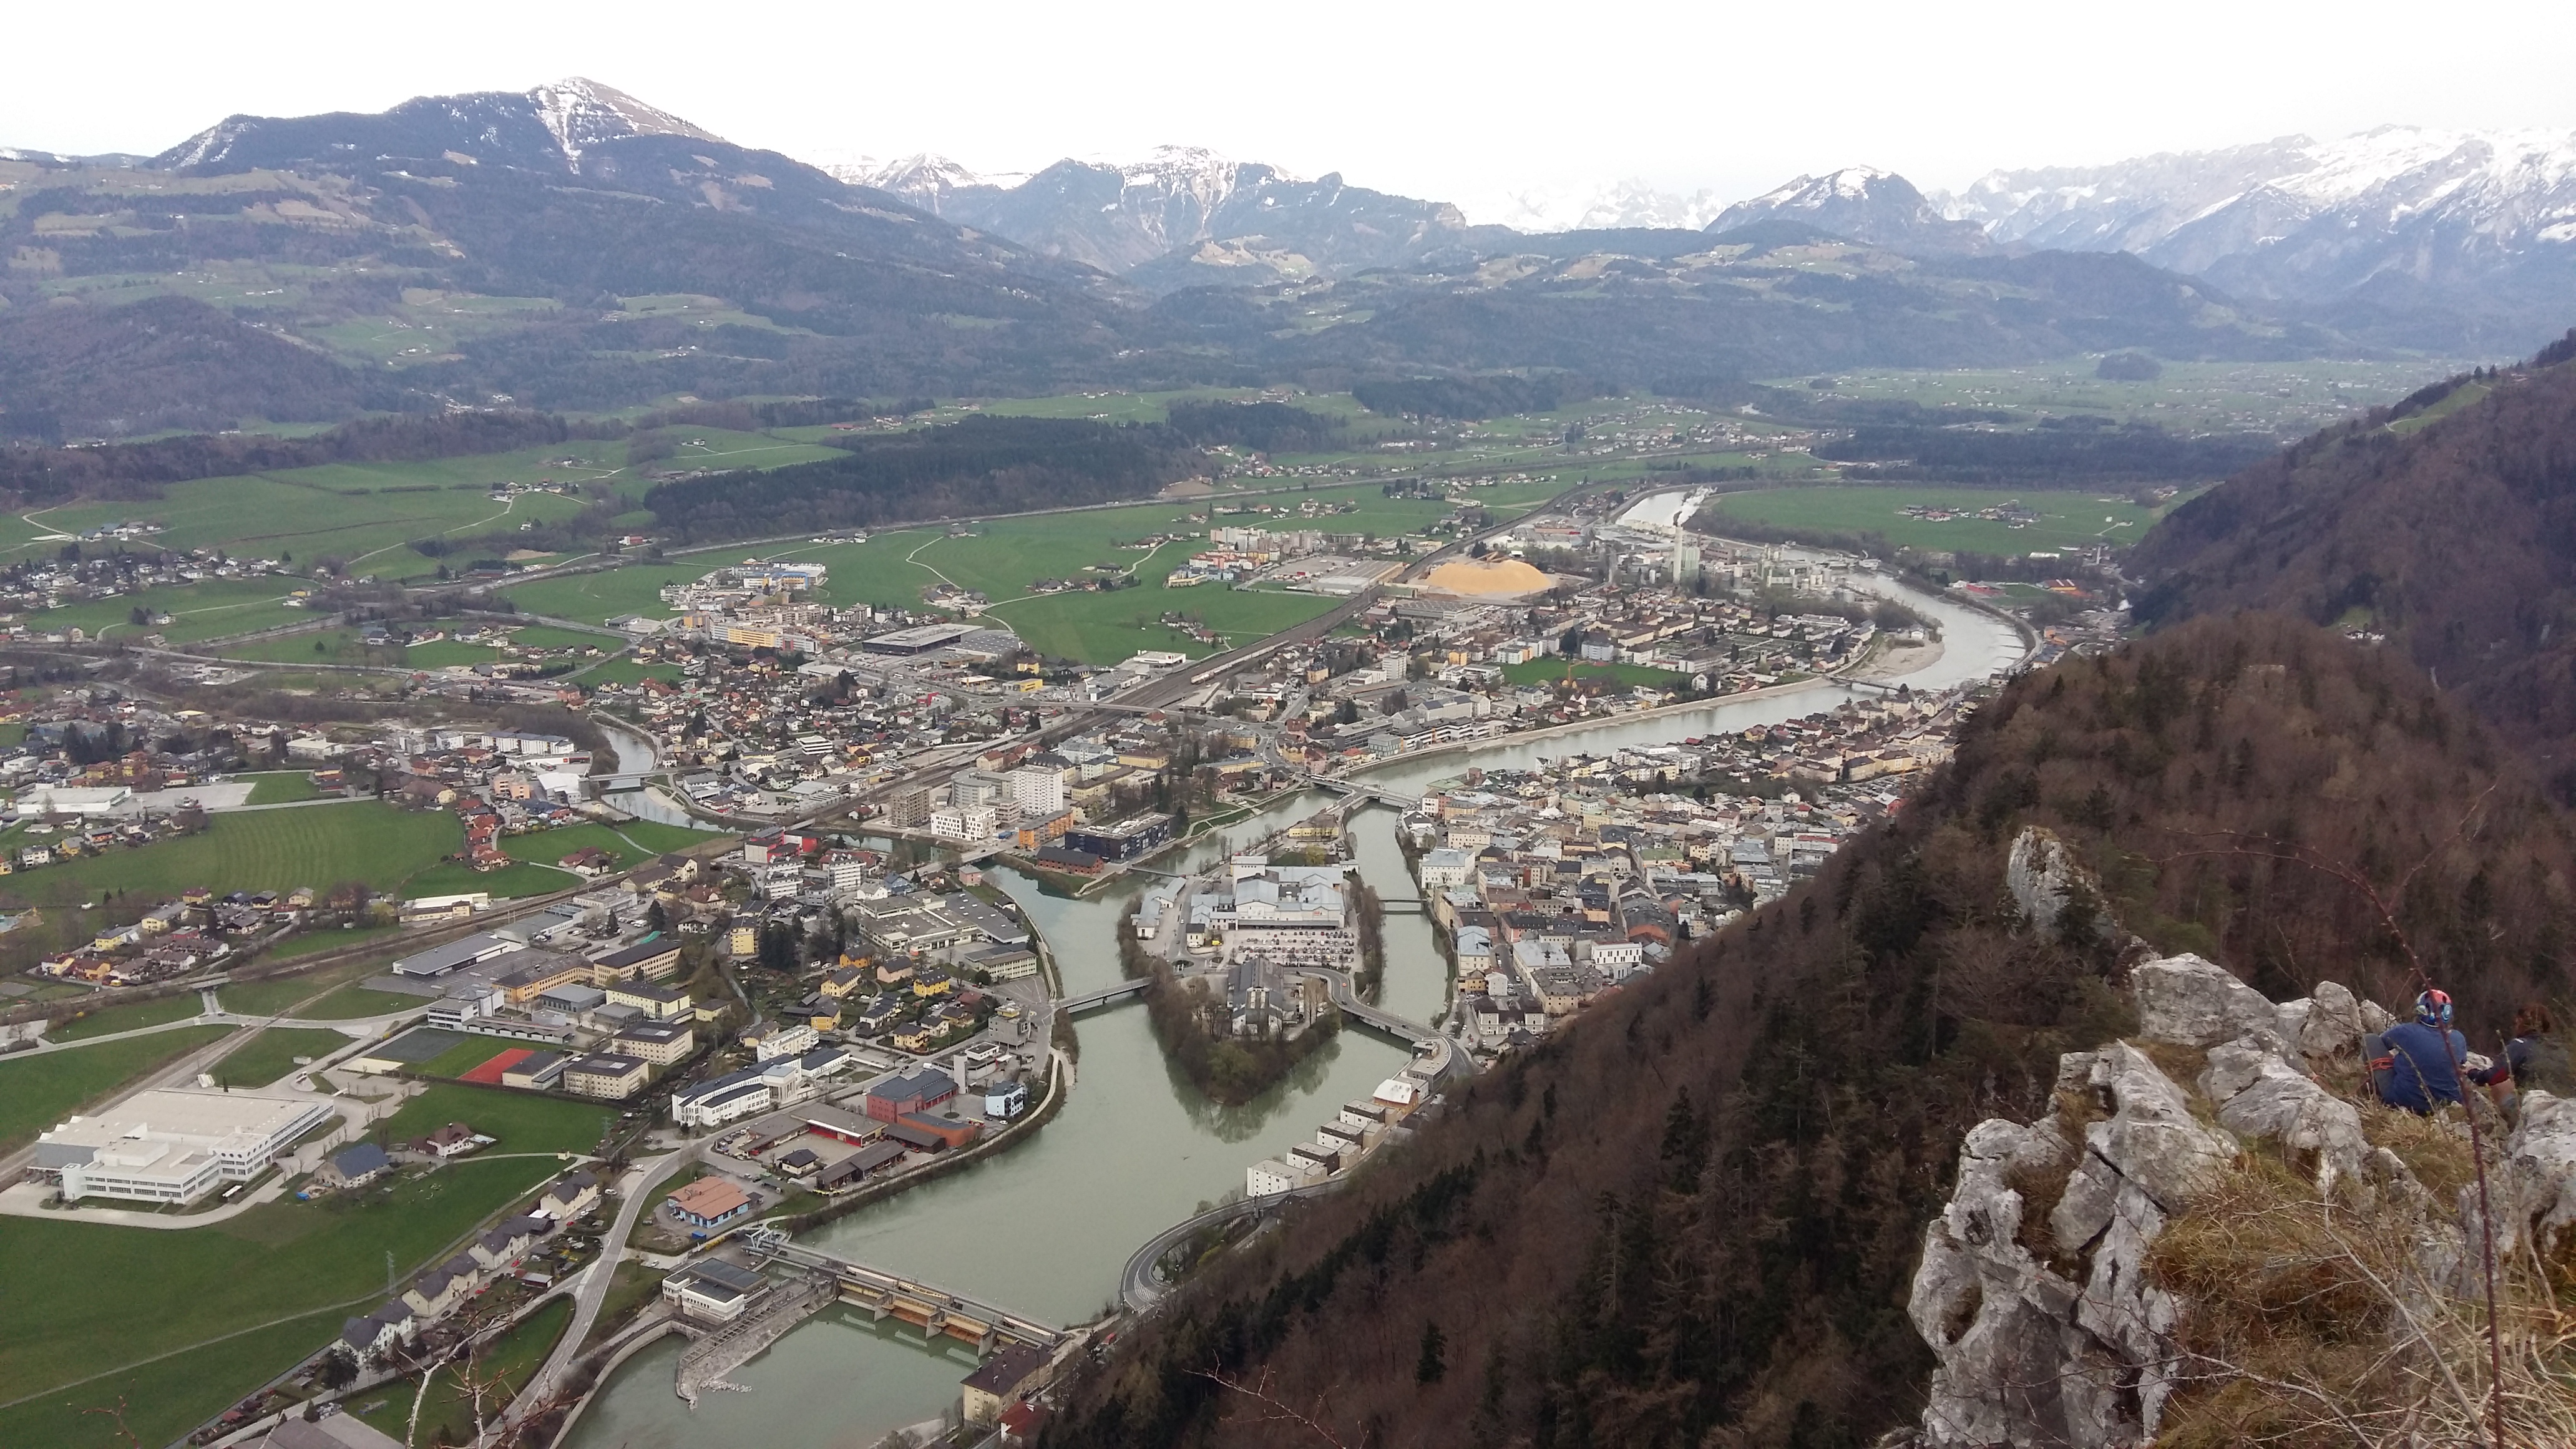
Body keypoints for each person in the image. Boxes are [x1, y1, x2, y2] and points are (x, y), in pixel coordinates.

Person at [2372, 989, 2471, 1114]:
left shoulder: (2406, 1031)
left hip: (2404, 1100)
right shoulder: (2458, 1038)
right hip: (2445, 1105)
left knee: (2370, 1040)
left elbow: (2382, 1043)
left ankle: (2371, 1082)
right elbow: (2459, 1063)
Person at [2469, 1002, 2571, 1115]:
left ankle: (2506, 1127)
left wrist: (2474, 1074)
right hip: (2564, 1107)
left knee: (2502, 1089)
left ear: (2522, 1022)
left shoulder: (2520, 1046)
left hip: (2533, 1107)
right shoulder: (2562, 1050)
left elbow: (2494, 1076)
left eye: (2516, 1023)